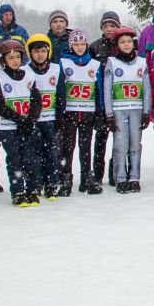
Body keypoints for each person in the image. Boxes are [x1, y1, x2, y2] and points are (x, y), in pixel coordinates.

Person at [0, 39, 45, 205]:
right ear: (3, 60)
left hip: (27, 125)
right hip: (8, 126)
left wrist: (31, 119)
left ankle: (33, 189)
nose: (15, 61)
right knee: (14, 159)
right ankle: (18, 191)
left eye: (17, 57)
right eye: (10, 58)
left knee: (31, 158)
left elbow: (36, 100)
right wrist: (19, 120)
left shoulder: (28, 75)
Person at [55, 30, 105, 196]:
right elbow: (59, 89)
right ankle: (65, 179)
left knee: (86, 147)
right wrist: (60, 113)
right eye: (75, 44)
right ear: (70, 45)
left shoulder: (94, 64)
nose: (79, 47)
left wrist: (100, 112)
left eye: (82, 44)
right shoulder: (63, 63)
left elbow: (99, 90)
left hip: (87, 113)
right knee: (67, 148)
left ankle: (87, 178)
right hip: (70, 113)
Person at [102, 28, 148, 193]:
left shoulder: (141, 62)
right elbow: (107, 89)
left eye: (129, 41)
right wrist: (109, 114)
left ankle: (134, 176)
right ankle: (120, 177)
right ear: (116, 45)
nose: (126, 45)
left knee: (135, 144)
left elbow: (146, 88)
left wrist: (146, 111)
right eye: (122, 42)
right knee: (121, 145)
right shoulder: (112, 63)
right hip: (119, 110)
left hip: (136, 109)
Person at [24, 35, 64, 202]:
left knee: (51, 152)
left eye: (43, 51)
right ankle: (35, 183)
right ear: (30, 53)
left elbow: (61, 93)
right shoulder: (25, 70)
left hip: (50, 118)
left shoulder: (55, 69)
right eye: (36, 51)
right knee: (33, 153)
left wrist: (60, 115)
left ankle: (52, 182)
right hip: (32, 120)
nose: (40, 55)